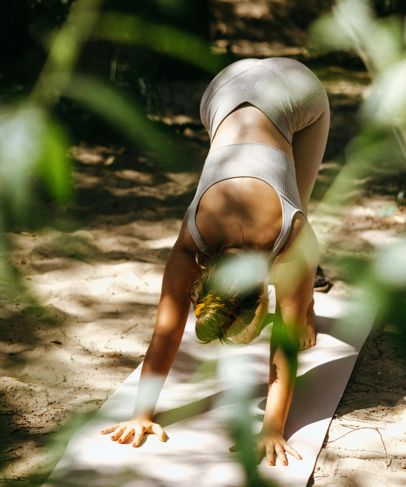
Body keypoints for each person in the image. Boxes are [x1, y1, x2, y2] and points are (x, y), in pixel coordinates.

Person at [100, 57, 330, 467]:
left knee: (301, 204)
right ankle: (304, 298)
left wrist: (273, 427)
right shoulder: (192, 244)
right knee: (290, 195)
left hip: (290, 87)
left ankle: (309, 301)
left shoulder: (291, 239)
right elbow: (166, 335)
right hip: (221, 89)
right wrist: (141, 413)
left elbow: (284, 349)